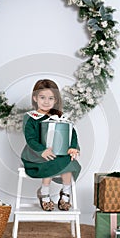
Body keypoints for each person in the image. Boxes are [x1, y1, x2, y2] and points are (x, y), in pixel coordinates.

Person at [21, 79, 81, 211]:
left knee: (68, 162)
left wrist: (73, 147)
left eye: (50, 98)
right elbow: (30, 139)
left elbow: (72, 132)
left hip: (58, 152)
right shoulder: (31, 117)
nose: (46, 101)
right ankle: (44, 192)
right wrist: (42, 151)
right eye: (42, 97)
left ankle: (65, 193)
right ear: (35, 98)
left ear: (55, 100)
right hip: (36, 154)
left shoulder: (58, 116)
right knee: (48, 160)